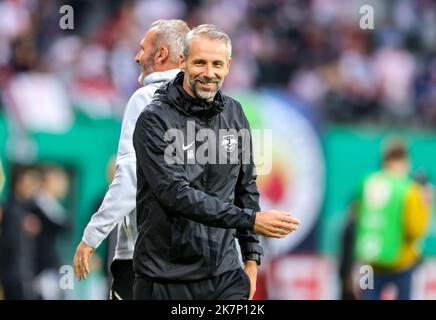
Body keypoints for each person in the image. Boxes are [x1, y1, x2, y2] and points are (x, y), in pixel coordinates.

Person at [132, 24, 300, 300]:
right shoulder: (154, 118)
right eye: (200, 63)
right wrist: (252, 221)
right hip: (164, 278)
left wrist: (251, 260)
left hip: (225, 276)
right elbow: (175, 195)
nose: (209, 73)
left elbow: (245, 188)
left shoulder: (235, 113)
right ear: (183, 61)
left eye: (217, 64)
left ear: (229, 66)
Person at [73, 19, 190, 300]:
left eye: (142, 48)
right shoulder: (212, 108)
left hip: (145, 255)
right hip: (196, 258)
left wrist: (91, 237)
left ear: (161, 54)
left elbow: (130, 176)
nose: (137, 57)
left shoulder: (146, 99)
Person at [354, 139, 432, 300]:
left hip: (368, 264)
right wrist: (426, 206)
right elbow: (416, 230)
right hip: (401, 266)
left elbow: (359, 217)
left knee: (365, 296)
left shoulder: (367, 183)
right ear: (405, 161)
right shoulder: (410, 189)